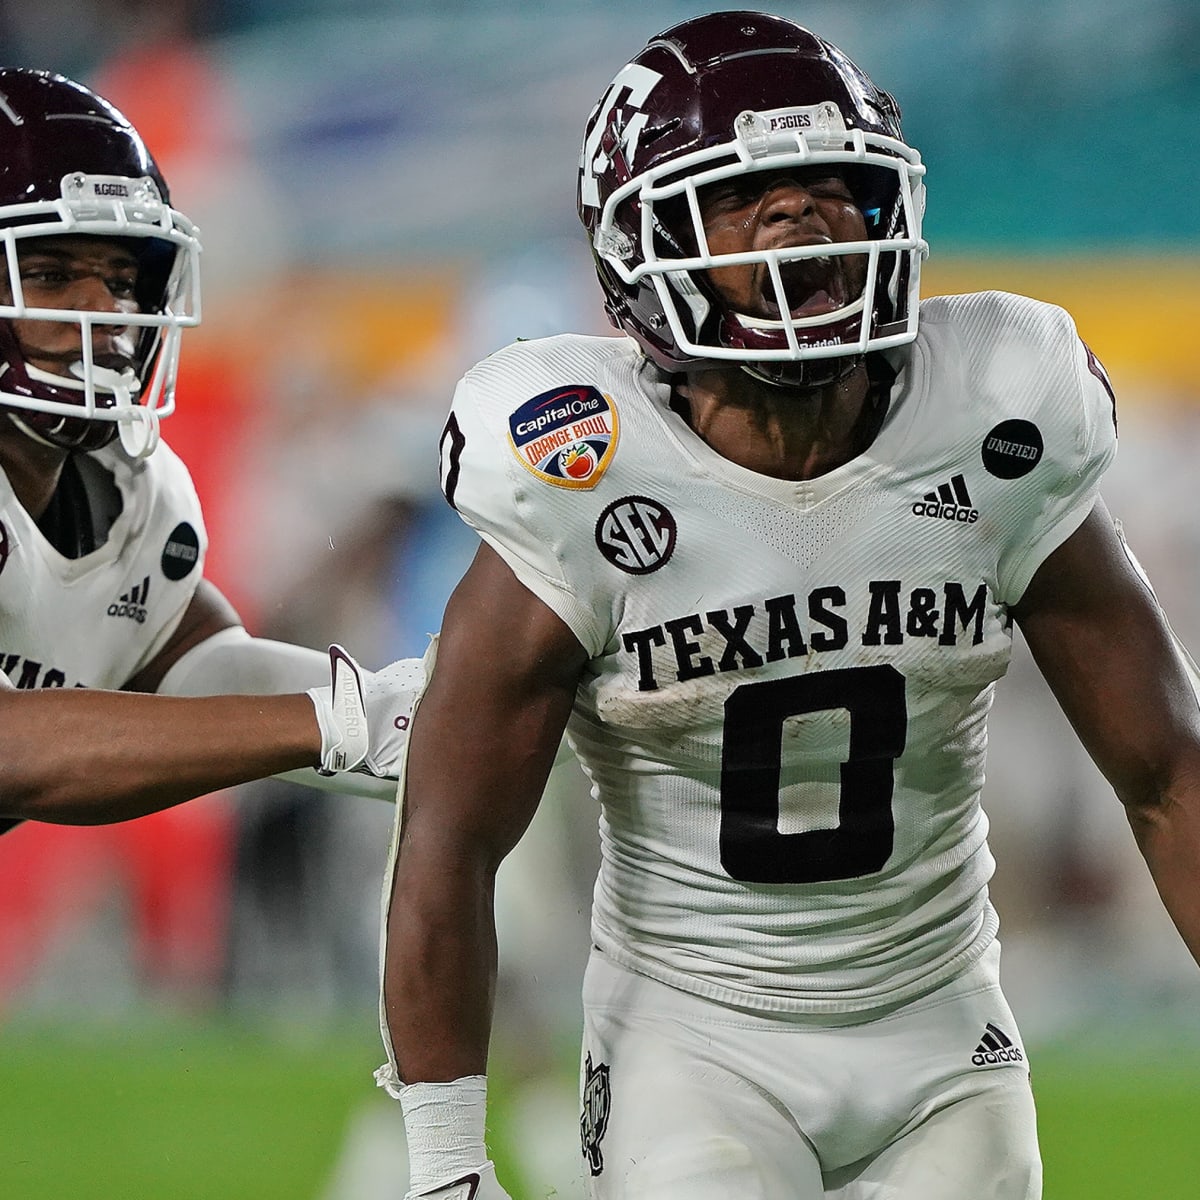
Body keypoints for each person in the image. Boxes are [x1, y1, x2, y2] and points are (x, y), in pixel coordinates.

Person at [377, 12, 1200, 1200]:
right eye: (748, 194)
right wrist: (446, 1166)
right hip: (691, 1042)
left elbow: (1169, 769)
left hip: (941, 1035)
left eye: (830, 185)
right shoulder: (585, 469)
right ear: (642, 242)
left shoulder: (995, 417)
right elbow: (448, 843)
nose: (801, 219)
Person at [0, 66, 420, 827]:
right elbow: (10, 753)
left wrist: (417, 709)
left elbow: (197, 665)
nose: (107, 313)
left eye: (122, 278)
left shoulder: (128, 487)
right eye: (53, 274)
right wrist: (334, 725)